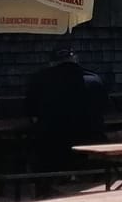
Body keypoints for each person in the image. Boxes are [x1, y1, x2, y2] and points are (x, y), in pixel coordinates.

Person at [26, 42, 107, 179]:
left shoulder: (39, 80)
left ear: (52, 62)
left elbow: (31, 113)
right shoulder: (94, 80)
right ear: (75, 59)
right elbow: (105, 109)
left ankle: (45, 192)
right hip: (90, 144)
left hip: (51, 145)